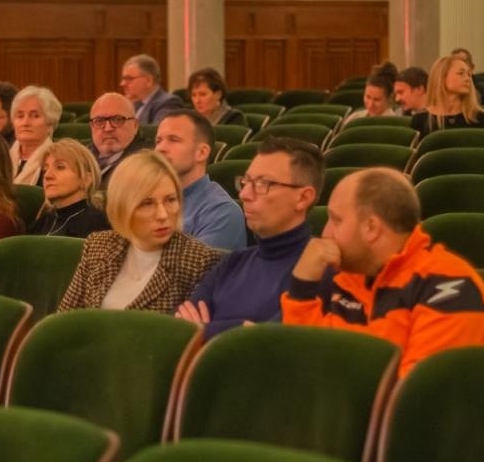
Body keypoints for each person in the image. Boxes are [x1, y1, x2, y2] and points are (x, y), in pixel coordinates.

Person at [281, 167, 484, 375]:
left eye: (336, 220)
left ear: (371, 228)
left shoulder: (449, 284)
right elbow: (304, 364)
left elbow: (414, 394)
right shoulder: (349, 277)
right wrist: (301, 290)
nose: (326, 232)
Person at [178, 138, 320, 338]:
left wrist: (206, 329)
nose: (244, 194)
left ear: (303, 197)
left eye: (263, 184)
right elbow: (181, 330)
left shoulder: (316, 269)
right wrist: (242, 327)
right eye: (245, 182)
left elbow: (266, 343)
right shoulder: (233, 262)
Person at [57, 151, 221, 313]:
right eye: (147, 204)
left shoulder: (199, 262)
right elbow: (64, 321)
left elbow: (188, 335)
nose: (163, 215)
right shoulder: (97, 246)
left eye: (170, 200)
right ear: (122, 207)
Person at [154, 110, 247, 251]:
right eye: (158, 141)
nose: (161, 148)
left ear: (201, 152)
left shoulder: (222, 212)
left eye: (173, 139)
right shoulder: (147, 198)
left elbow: (189, 271)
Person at [30, 138, 110, 238]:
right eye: (45, 170)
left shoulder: (97, 223)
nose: (47, 176)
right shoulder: (47, 216)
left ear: (86, 179)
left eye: (60, 167)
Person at [87, 92, 151, 189]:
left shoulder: (147, 161)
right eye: (99, 121)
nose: (108, 128)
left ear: (135, 125)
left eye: (117, 120)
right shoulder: (80, 157)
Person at [419, 53, 484, 133]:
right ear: (442, 77)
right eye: (461, 73)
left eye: (469, 74)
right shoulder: (420, 119)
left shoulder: (480, 118)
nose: (468, 79)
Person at [10, 85, 60, 186]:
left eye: (35, 116)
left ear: (50, 122)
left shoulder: (57, 161)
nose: (25, 123)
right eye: (20, 116)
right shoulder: (2, 159)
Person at [119, 54, 183, 126]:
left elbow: (156, 132)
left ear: (149, 80)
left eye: (129, 78)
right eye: (123, 79)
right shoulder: (132, 104)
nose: (122, 84)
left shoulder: (168, 103)